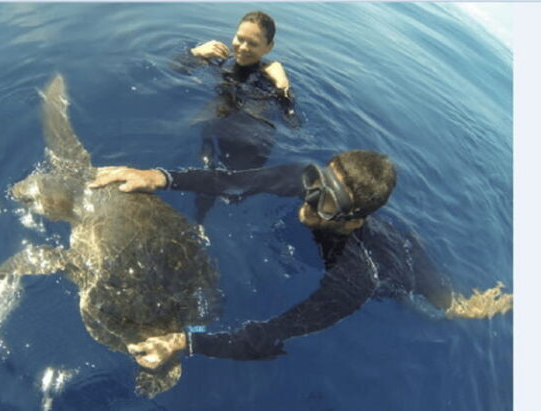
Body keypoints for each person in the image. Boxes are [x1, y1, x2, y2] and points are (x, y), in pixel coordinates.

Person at [88, 150, 513, 370]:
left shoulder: (355, 279)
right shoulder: (302, 179)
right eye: (317, 184)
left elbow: (276, 334)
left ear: (351, 219)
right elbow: (232, 183)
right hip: (369, 234)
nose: (309, 201)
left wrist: (186, 341)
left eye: (326, 202)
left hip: (400, 265)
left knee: (453, 309)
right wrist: (158, 177)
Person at [173, 11, 299, 222]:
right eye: (240, 38)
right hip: (217, 126)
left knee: (232, 193)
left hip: (250, 139)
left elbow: (292, 121)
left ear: (269, 48)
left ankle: (201, 221)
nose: (243, 47)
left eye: (253, 43)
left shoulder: (270, 77)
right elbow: (175, 68)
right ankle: (198, 221)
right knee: (204, 180)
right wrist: (195, 53)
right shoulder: (219, 61)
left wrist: (284, 87)